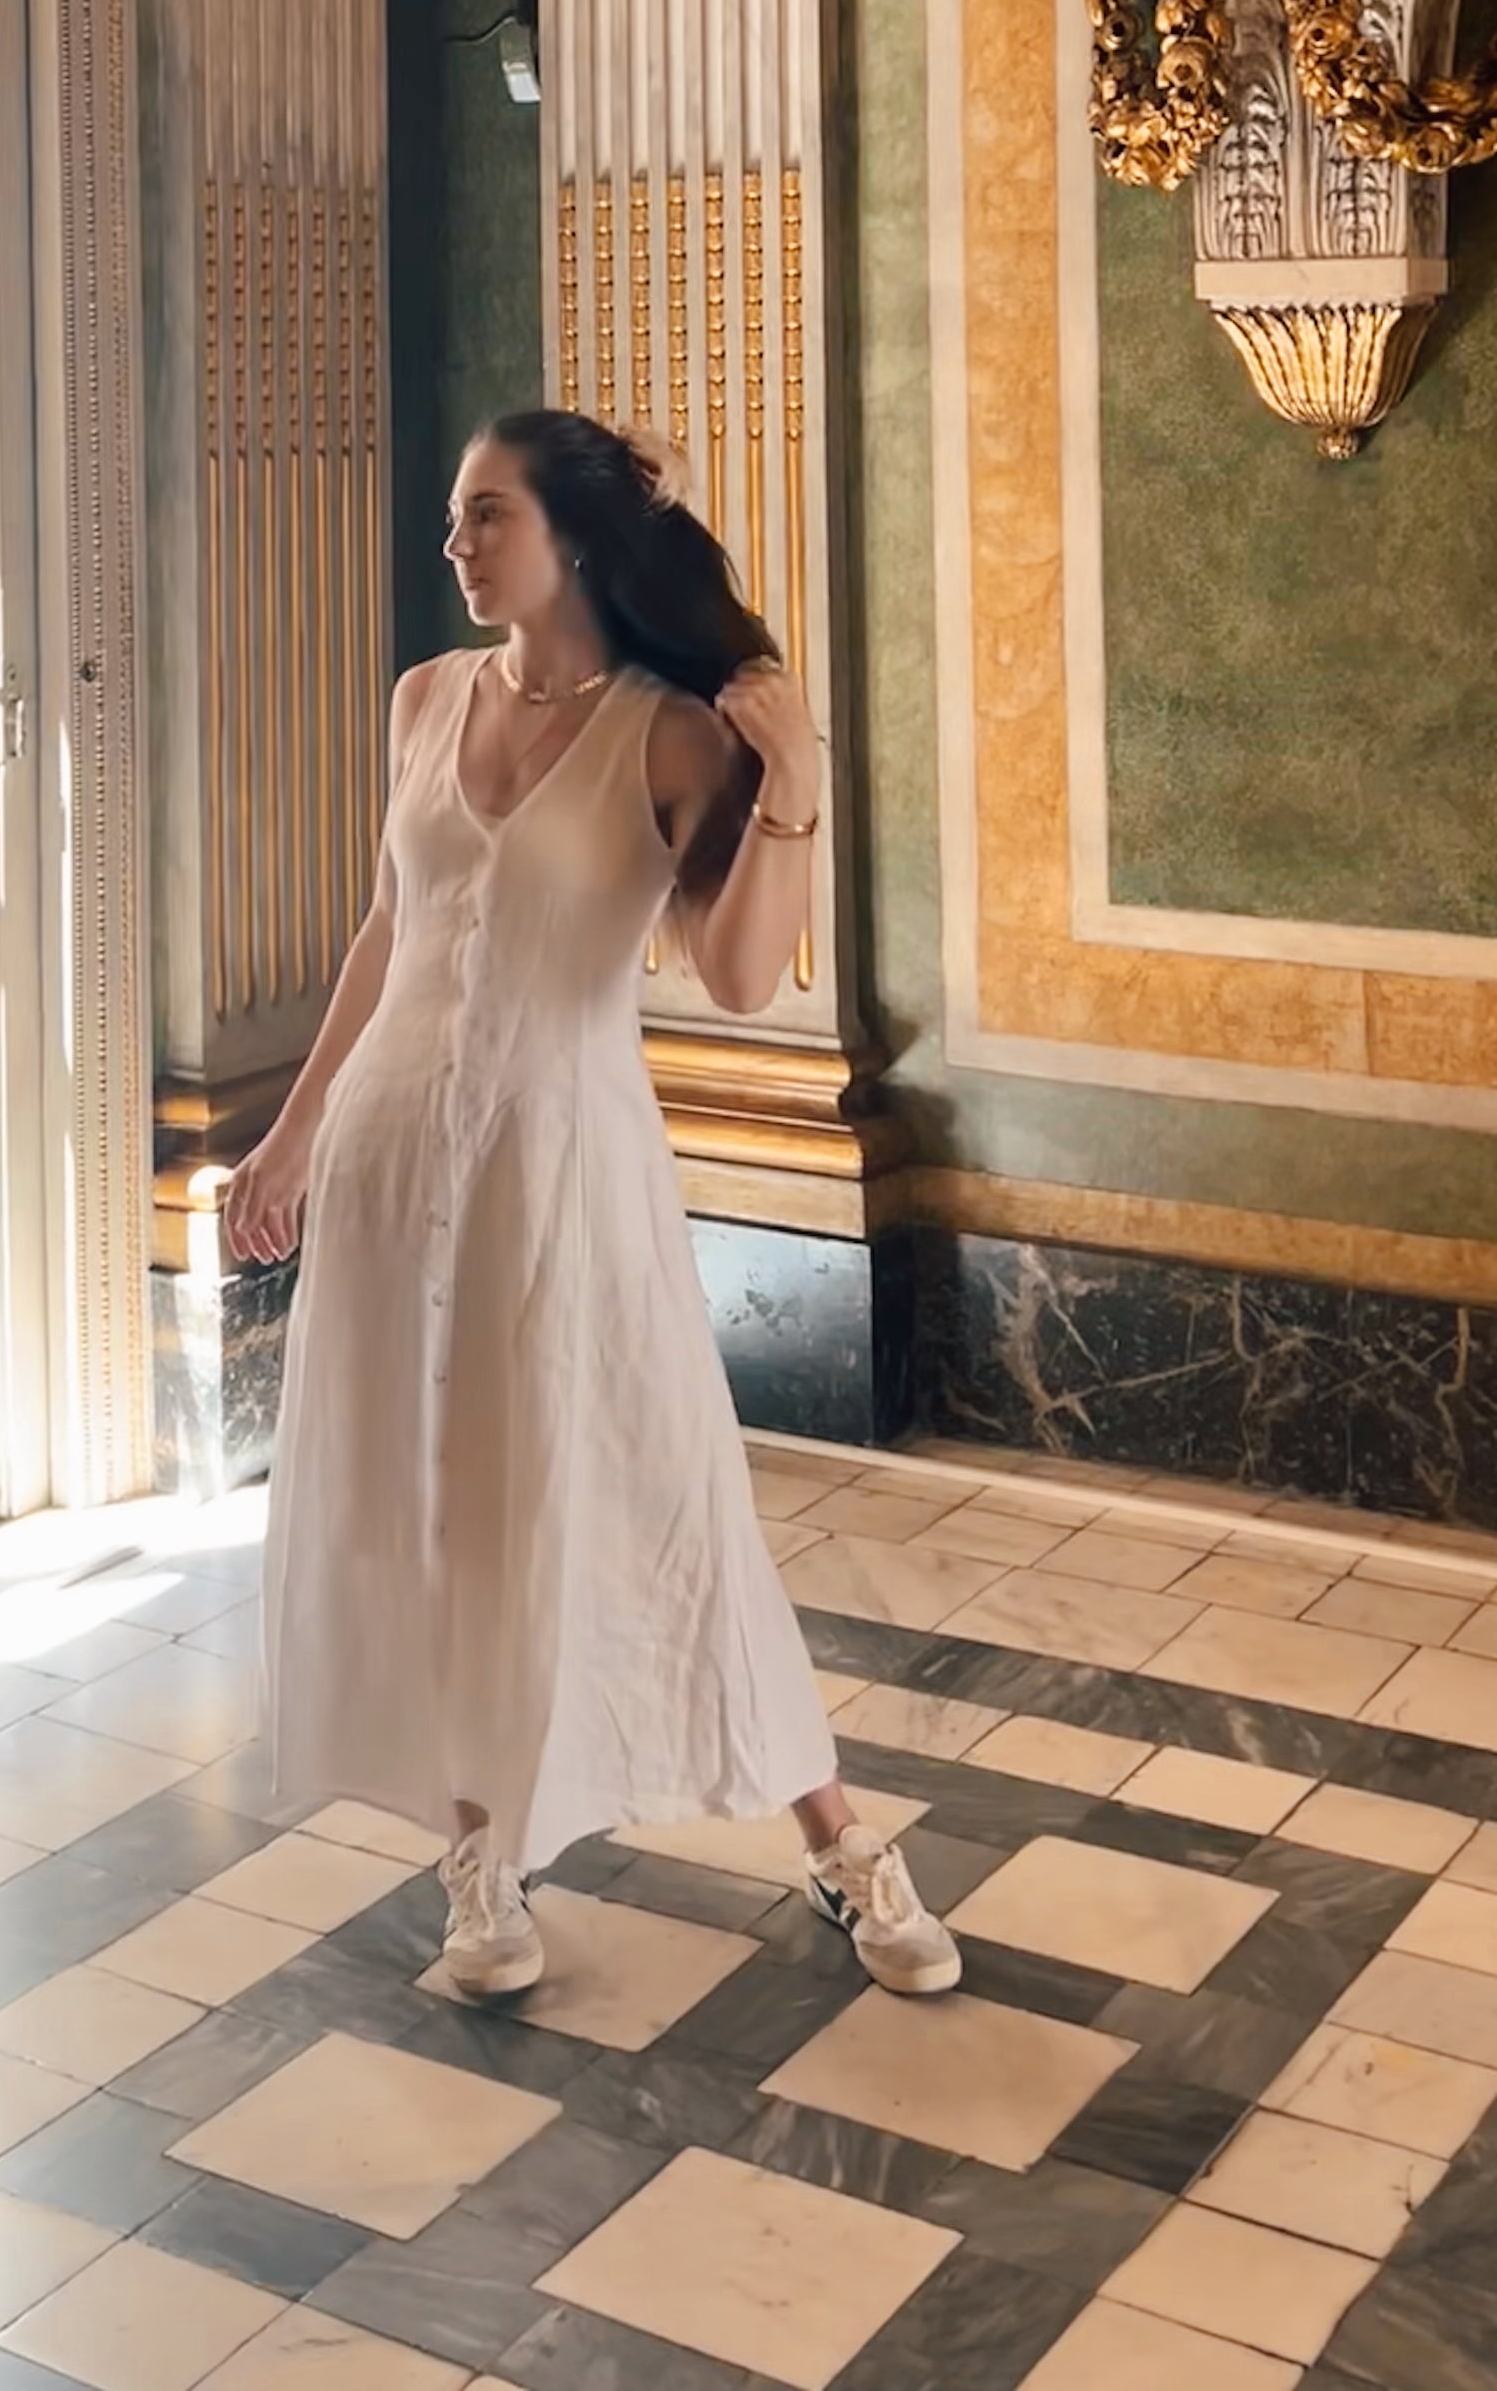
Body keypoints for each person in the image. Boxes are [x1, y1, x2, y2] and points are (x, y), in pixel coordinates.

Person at [224, 410, 960, 2006]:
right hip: (394, 1167)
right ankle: (483, 1865)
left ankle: (840, 1842)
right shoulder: (426, 699)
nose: (455, 545)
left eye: (484, 516)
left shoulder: (668, 736)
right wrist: (290, 1140)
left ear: (570, 539)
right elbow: (383, 937)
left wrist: (796, 779)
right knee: (447, 1507)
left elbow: (747, 972)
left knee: (667, 1497)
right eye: (454, 515)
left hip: (565, 1173)